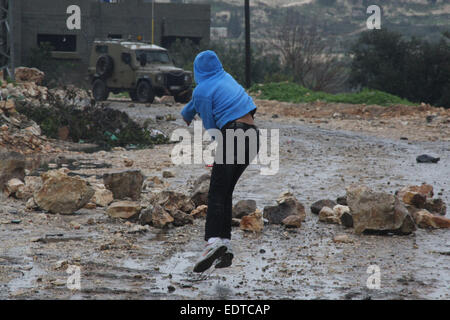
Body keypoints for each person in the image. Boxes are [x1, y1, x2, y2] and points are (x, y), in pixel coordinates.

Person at [181, 50, 260, 273]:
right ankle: (225, 243)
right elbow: (199, 102)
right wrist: (187, 112)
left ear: (197, 71)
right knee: (225, 192)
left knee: (216, 192)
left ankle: (213, 241)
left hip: (234, 134)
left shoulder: (202, 90)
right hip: (253, 136)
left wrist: (221, 148)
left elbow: (211, 123)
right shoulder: (226, 78)